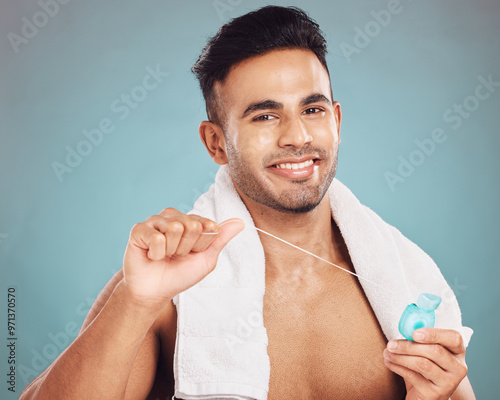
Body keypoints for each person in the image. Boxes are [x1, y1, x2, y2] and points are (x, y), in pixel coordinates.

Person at [20, 6, 475, 400]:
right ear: (215, 143)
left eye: (312, 110)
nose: (297, 137)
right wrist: (134, 302)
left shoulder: (403, 279)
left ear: (336, 121)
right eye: (265, 115)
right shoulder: (168, 284)